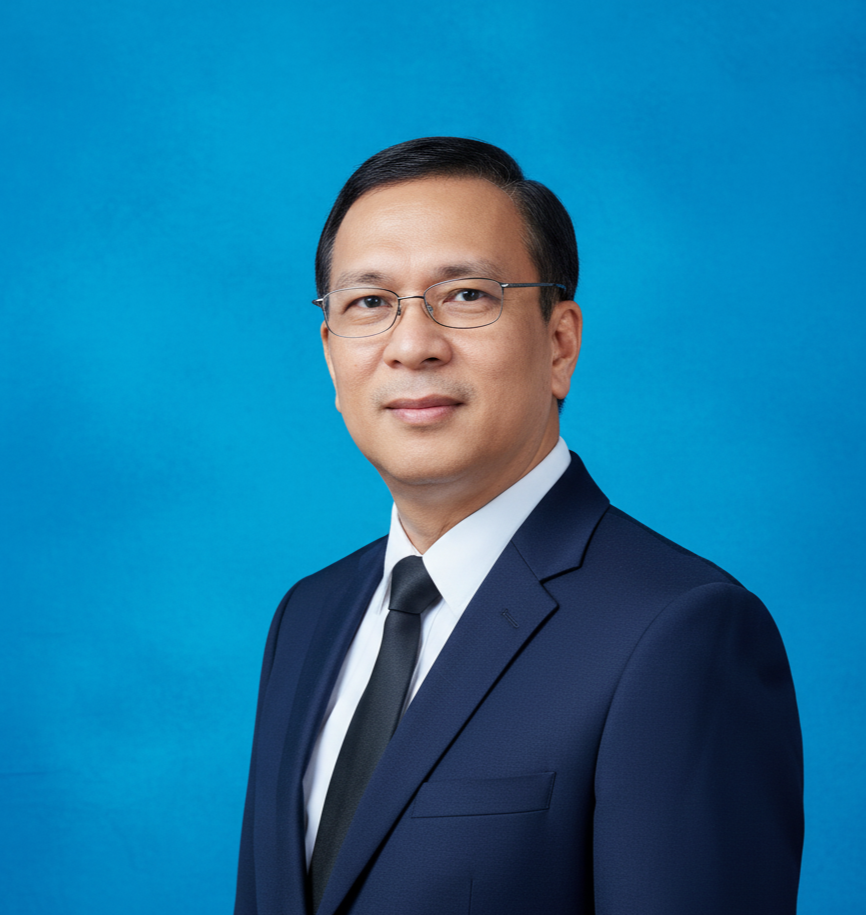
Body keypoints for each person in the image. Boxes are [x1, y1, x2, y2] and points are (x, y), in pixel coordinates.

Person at [234, 137, 804, 915]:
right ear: (331, 356)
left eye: (466, 294)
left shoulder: (681, 631)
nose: (412, 345)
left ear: (559, 342)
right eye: (369, 302)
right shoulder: (307, 616)